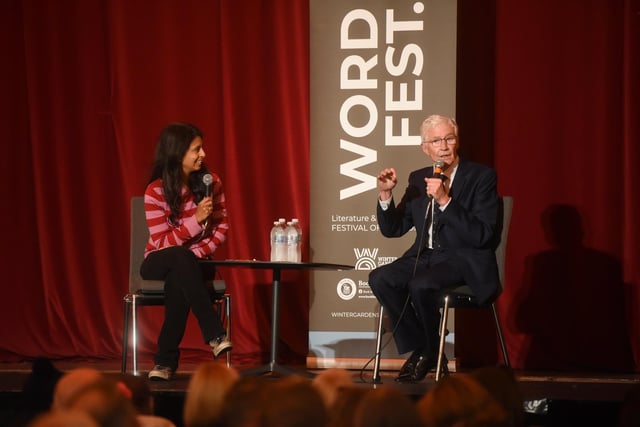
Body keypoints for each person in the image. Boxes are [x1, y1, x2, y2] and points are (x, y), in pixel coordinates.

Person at [369, 114, 499, 383]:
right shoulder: (418, 178)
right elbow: (394, 229)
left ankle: (425, 352)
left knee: (421, 285)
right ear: (425, 148)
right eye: (436, 140)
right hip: (424, 255)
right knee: (380, 278)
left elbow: (482, 235)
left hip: (462, 258)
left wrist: (445, 200)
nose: (443, 146)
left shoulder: (481, 177)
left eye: (449, 138)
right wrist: (385, 195)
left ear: (457, 140)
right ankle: (427, 349)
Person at [142, 122, 231, 381]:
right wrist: (195, 221)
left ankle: (164, 362)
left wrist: (198, 252)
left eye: (202, 148)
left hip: (196, 261)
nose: (203, 155)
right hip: (157, 260)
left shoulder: (210, 183)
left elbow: (221, 226)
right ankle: (215, 333)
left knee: (180, 278)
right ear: (177, 153)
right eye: (196, 149)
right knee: (180, 259)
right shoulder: (155, 191)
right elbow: (161, 243)